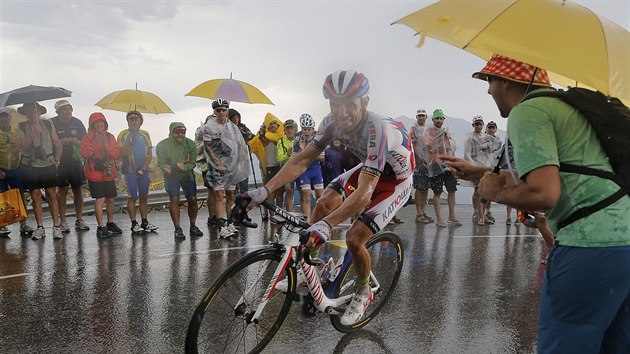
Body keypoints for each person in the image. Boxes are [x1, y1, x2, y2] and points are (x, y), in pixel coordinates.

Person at [445, 54, 630, 353]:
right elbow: (563, 172)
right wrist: (481, 172)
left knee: (566, 343)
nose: (488, 90)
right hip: (624, 244)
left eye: (490, 80)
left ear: (506, 81)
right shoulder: (565, 107)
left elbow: (544, 193)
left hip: (589, 246)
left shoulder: (528, 111)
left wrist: (494, 193)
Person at [241, 70, 414, 325]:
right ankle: (311, 267)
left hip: (395, 182)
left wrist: (326, 226)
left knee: (355, 238)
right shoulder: (332, 122)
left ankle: (364, 291)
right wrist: (264, 190)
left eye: (349, 105)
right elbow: (301, 159)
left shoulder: (379, 128)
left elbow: (367, 191)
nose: (341, 113)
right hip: (369, 170)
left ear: (364, 103)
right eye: (335, 105)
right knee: (322, 205)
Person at [202, 99, 251, 238]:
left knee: (231, 195)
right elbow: (208, 147)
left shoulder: (233, 127)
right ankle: (221, 226)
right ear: (214, 112)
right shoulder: (209, 127)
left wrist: (239, 163)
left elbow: (239, 145)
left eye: (224, 110)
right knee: (219, 195)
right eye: (218, 110)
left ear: (227, 111)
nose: (221, 112)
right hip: (215, 166)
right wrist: (218, 164)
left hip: (231, 166)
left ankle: (230, 223)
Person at [15, 102, 63, 240]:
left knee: (51, 194)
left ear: (40, 112)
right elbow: (19, 147)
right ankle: (40, 227)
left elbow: (57, 144)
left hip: (48, 163)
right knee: (35, 195)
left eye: (35, 111)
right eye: (29, 111)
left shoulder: (48, 124)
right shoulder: (22, 126)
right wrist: (31, 134)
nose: (33, 114)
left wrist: (57, 161)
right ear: (25, 113)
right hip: (30, 165)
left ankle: (56, 226)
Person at [156, 122, 203, 239]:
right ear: (172, 132)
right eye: (177, 132)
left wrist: (185, 167)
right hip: (172, 175)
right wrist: (164, 168)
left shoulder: (191, 144)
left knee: (192, 199)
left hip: (187, 173)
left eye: (183, 132)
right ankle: (177, 228)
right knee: (174, 199)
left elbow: (193, 162)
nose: (180, 135)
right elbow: (161, 163)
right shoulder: (162, 145)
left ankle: (193, 226)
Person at [50, 99, 90, 232]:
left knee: (78, 189)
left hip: (75, 161)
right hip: (59, 161)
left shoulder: (77, 122)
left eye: (69, 109)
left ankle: (79, 219)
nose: (68, 111)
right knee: (62, 190)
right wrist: (59, 142)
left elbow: (85, 141)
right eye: (64, 109)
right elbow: (48, 142)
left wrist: (75, 141)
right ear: (58, 111)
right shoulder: (52, 123)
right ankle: (63, 221)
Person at [80, 112, 121, 238]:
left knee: (111, 199)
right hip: (95, 173)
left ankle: (110, 222)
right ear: (92, 124)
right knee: (100, 199)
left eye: (101, 122)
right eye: (96, 122)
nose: (98, 124)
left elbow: (116, 154)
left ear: (105, 123)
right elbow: (84, 153)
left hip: (108, 172)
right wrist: (95, 143)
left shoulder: (110, 137)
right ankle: (100, 226)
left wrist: (106, 146)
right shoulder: (88, 137)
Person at [117, 110, 158, 234]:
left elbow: (150, 153)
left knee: (144, 196)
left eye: (136, 119)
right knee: (132, 197)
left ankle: (145, 222)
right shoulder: (123, 135)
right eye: (131, 119)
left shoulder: (145, 134)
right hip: (130, 170)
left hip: (143, 170)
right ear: (127, 121)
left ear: (141, 121)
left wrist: (144, 167)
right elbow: (120, 154)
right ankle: (134, 223)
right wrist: (129, 145)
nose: (133, 121)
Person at [423, 108, 460, 227]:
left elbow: (452, 147)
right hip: (435, 165)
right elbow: (428, 145)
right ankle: (439, 218)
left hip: (448, 164)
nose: (439, 120)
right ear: (433, 119)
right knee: (437, 192)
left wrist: (447, 137)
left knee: (452, 190)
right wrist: (439, 137)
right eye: (437, 118)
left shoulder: (447, 130)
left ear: (443, 119)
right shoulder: (428, 130)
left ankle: (452, 216)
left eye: (441, 118)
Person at [0, 107, 33, 237]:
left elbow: (25, 148)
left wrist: (19, 145)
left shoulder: (17, 131)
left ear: (10, 118)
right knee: (1, 197)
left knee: (20, 195)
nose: (3, 119)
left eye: (5, 116)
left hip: (16, 167)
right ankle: (2, 225)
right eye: (1, 117)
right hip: (1, 168)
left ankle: (23, 223)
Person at [248, 113, 285, 220]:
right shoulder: (263, 137)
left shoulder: (280, 137)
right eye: (271, 125)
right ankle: (270, 213)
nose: (274, 127)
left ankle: (279, 213)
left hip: (279, 167)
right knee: (269, 192)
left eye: (275, 125)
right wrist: (262, 134)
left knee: (280, 192)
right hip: (267, 168)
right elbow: (258, 143)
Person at [463, 115, 496, 225]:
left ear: (483, 125)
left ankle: (484, 215)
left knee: (485, 191)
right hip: (475, 167)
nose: (478, 126)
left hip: (485, 167)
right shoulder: (470, 138)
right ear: (473, 125)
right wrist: (474, 166)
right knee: (477, 191)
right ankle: (476, 212)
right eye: (476, 124)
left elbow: (490, 153)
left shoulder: (487, 137)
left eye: (480, 124)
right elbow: (467, 154)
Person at [294, 114, 325, 222]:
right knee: (306, 197)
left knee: (320, 197)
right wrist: (302, 150)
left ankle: (319, 220)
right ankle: (307, 222)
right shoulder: (297, 141)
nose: (307, 132)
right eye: (304, 129)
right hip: (305, 171)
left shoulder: (318, 140)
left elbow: (322, 158)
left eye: (309, 129)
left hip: (316, 170)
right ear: (301, 129)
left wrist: (306, 154)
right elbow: (296, 159)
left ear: (312, 130)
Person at [409, 108, 434, 224]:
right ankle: (418, 213)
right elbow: (412, 144)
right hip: (418, 162)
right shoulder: (413, 129)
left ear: (426, 117)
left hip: (428, 162)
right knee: (419, 187)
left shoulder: (429, 129)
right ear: (416, 117)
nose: (421, 118)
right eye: (419, 116)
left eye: (423, 116)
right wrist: (417, 159)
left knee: (426, 187)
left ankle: (424, 211)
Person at [228, 108, 255, 195]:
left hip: (243, 159)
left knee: (244, 182)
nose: (236, 119)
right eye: (233, 117)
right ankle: (236, 201)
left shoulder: (243, 127)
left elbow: (251, 136)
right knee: (235, 184)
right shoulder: (227, 128)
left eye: (237, 117)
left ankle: (244, 201)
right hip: (232, 160)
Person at [277, 119, 298, 212]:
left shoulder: (299, 140)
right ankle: (290, 215)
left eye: (291, 128)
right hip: (288, 169)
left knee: (304, 192)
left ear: (295, 130)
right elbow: (279, 159)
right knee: (290, 191)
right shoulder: (280, 141)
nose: (289, 130)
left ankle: (306, 216)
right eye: (287, 129)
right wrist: (288, 155)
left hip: (300, 168)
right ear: (284, 131)